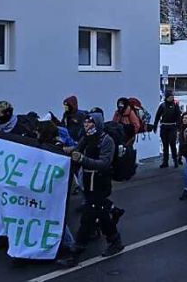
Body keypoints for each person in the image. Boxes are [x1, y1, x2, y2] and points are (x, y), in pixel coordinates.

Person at [58, 112, 123, 266]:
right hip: (88, 181)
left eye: (90, 123)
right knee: (101, 214)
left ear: (97, 124)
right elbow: (78, 148)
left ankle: (75, 253)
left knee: (88, 217)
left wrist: (82, 159)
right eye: (85, 123)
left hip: (100, 182)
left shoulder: (107, 141)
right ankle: (115, 239)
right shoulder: (87, 138)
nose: (86, 126)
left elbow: (104, 163)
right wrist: (66, 150)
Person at [153, 90, 183, 168]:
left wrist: (179, 127)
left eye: (172, 97)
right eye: (170, 97)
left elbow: (178, 117)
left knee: (172, 144)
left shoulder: (175, 105)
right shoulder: (162, 105)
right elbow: (157, 116)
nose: (171, 98)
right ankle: (165, 162)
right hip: (164, 127)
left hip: (172, 126)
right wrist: (155, 126)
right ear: (166, 97)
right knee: (165, 145)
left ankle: (175, 160)